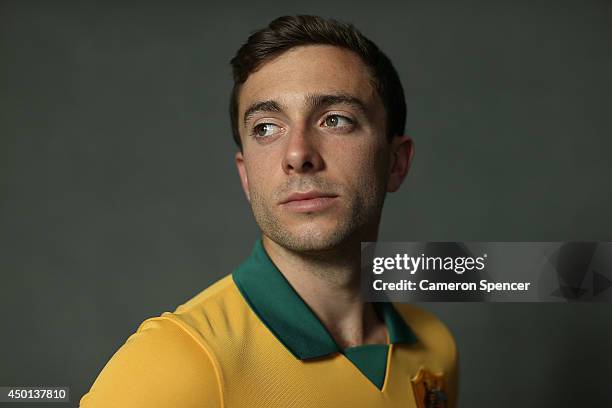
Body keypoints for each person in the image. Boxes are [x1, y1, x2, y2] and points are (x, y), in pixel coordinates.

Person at [80, 15, 458, 408]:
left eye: (335, 120)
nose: (297, 155)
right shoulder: (178, 362)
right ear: (246, 176)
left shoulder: (435, 346)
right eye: (265, 127)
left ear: (396, 162)